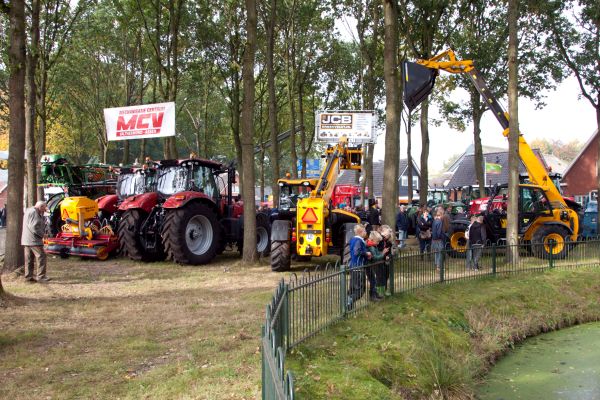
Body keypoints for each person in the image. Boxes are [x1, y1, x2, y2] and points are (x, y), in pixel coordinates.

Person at [21, 201, 50, 283]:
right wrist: (43, 235)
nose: (45, 209)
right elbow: (34, 227)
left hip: (26, 240)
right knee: (41, 256)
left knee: (29, 259)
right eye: (44, 207)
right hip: (34, 240)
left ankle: (28, 277)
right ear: (40, 207)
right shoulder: (34, 212)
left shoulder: (29, 210)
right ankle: (41, 276)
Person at [347, 224, 372, 309]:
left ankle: (349, 306)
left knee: (353, 288)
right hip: (358, 267)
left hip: (353, 267)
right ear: (361, 232)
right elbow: (356, 252)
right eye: (365, 231)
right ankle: (349, 301)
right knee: (360, 290)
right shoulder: (358, 241)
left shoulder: (354, 240)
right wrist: (366, 253)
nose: (366, 232)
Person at [365, 231, 389, 301]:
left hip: (371, 266)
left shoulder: (373, 246)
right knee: (373, 281)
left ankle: (375, 294)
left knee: (374, 280)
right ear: (373, 240)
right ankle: (372, 296)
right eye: (377, 241)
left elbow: (377, 253)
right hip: (369, 266)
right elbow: (375, 257)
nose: (378, 243)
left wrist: (381, 253)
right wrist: (383, 254)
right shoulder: (371, 247)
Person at [377, 225, 395, 296]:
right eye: (386, 234)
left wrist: (388, 256)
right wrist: (383, 254)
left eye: (388, 235)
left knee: (386, 275)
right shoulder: (379, 240)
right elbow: (377, 251)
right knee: (379, 276)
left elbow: (390, 252)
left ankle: (384, 290)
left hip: (385, 261)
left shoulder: (388, 242)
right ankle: (379, 292)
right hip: (379, 261)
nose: (387, 236)